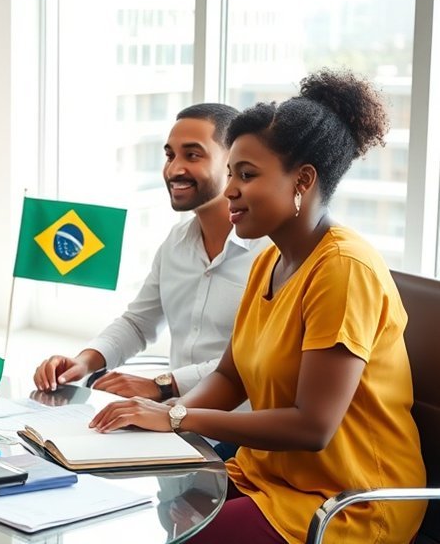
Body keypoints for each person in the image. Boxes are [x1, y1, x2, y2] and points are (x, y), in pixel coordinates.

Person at [91, 70, 426, 543]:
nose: (229, 189)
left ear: (303, 181)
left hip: (347, 501)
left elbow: (314, 426)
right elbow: (230, 378)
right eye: (231, 172)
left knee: (194, 535)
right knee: (140, 511)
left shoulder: (344, 268)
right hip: (266, 477)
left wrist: (176, 416)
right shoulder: (270, 258)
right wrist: (161, 416)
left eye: (246, 175)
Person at [34, 104, 269, 405]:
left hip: (236, 433)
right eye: (170, 155)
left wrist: (163, 385)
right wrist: (83, 362)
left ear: (232, 162)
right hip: (174, 419)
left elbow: (255, 356)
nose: (173, 169)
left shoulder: (271, 253)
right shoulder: (176, 242)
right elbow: (137, 323)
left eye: (192, 155)